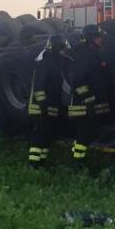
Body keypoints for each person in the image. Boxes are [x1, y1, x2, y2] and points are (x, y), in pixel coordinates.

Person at [27, 34, 72, 165]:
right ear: (56, 48)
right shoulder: (45, 63)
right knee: (40, 134)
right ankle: (34, 163)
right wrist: (43, 106)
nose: (65, 51)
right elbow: (39, 87)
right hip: (39, 108)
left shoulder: (56, 62)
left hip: (50, 107)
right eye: (63, 49)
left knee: (48, 135)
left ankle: (42, 160)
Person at [67, 25, 108, 161]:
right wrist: (88, 100)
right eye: (98, 37)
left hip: (89, 103)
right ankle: (78, 162)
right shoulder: (83, 54)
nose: (101, 39)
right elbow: (78, 80)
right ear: (90, 38)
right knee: (84, 135)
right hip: (82, 104)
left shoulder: (92, 52)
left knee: (87, 134)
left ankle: (76, 156)